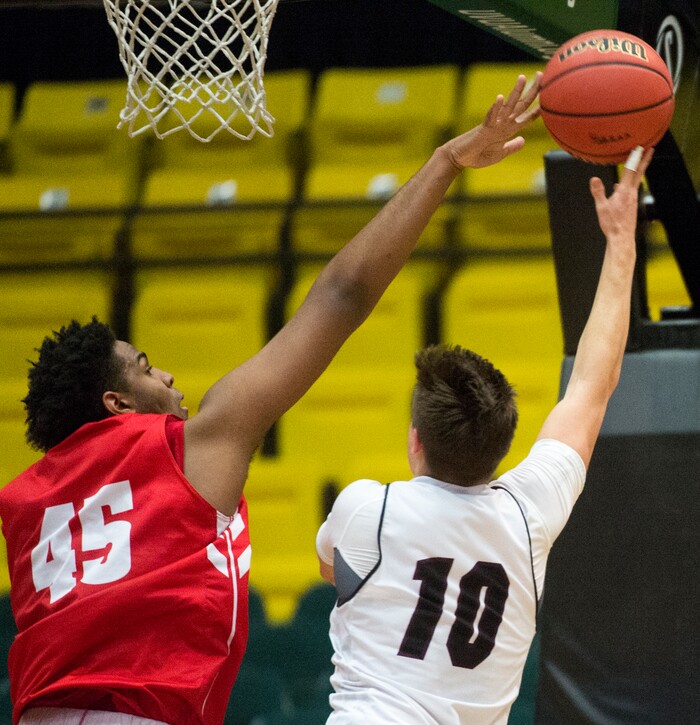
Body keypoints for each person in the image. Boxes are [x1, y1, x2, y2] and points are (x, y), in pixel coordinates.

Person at [0, 75, 542, 725]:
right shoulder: (183, 450)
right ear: (117, 404)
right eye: (145, 367)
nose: (169, 375)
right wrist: (445, 162)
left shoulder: (25, 503)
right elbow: (340, 296)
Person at [316, 145, 654, 724]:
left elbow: (332, 569)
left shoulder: (368, 508)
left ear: (415, 439)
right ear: (503, 447)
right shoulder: (530, 516)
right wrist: (621, 243)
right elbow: (593, 385)